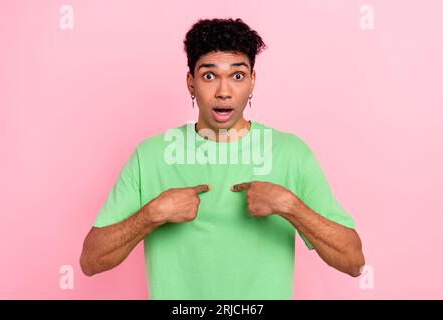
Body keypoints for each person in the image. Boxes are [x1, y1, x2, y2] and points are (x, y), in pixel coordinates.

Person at [80, 18, 365, 299]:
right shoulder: (151, 155)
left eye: (237, 76)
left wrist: (289, 206)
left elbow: (353, 261)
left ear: (252, 81)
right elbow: (90, 261)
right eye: (209, 75)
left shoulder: (291, 153)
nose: (224, 92)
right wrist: (152, 215)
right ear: (191, 82)